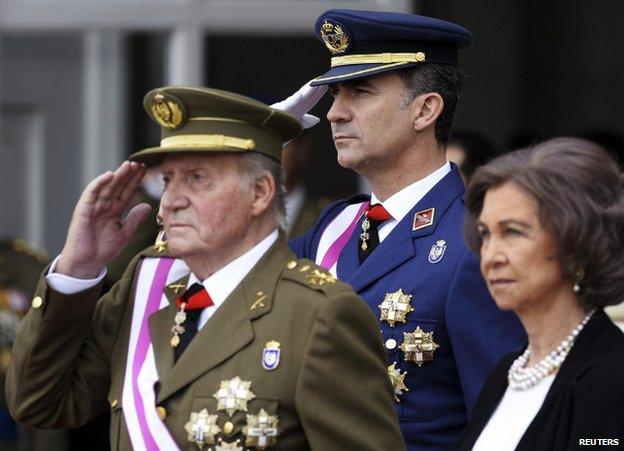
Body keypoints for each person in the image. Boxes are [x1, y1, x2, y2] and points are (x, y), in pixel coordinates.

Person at [6, 87, 405, 450]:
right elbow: (40, 403)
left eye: (197, 179)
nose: (173, 201)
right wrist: (78, 267)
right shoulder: (147, 285)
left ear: (260, 192)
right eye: (168, 181)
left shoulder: (320, 314)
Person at [288, 9, 525, 450]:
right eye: (336, 94)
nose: (335, 113)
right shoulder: (333, 227)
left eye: (360, 92)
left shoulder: (476, 240)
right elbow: (232, 285)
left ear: (425, 109)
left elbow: (501, 427)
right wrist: (253, 145)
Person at [456, 137, 624, 450]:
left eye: (513, 233)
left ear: (577, 242)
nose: (491, 255)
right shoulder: (507, 372)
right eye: (485, 235)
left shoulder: (611, 378)